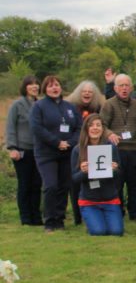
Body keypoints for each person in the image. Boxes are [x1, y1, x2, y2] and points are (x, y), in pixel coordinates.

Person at [30, 75, 82, 232]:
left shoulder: (70, 107)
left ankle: (60, 219)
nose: (54, 88)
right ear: (45, 89)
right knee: (51, 185)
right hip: (47, 153)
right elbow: (37, 128)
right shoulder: (39, 107)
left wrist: (70, 143)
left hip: (67, 153)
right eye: (50, 86)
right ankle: (50, 221)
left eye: (57, 85)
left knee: (63, 187)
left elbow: (79, 127)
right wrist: (56, 142)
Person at [100, 73, 136, 221]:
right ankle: (117, 210)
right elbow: (101, 124)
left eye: (127, 85)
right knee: (117, 183)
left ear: (131, 87)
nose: (124, 88)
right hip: (117, 149)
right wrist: (109, 134)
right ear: (115, 88)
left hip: (135, 150)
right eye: (121, 85)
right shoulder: (108, 104)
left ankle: (135, 212)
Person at [71, 114, 124, 236]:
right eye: (91, 125)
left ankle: (101, 219)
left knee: (116, 232)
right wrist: (84, 172)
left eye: (98, 125)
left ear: (103, 129)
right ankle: (91, 220)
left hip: (110, 199)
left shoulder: (111, 148)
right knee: (99, 232)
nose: (95, 128)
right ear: (86, 129)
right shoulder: (77, 150)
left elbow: (119, 175)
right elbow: (75, 178)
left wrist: (114, 170)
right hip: (89, 200)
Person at [67, 79, 107, 225]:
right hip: (77, 149)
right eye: (84, 91)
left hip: (96, 149)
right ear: (79, 93)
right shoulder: (71, 108)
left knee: (95, 182)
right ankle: (78, 216)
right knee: (76, 181)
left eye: (90, 91)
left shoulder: (98, 107)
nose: (87, 94)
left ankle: (96, 212)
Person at [5, 75, 43, 225]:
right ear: (25, 87)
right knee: (25, 184)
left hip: (39, 151)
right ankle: (26, 217)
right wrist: (12, 148)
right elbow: (10, 127)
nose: (34, 87)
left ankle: (36, 216)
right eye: (31, 84)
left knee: (36, 184)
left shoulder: (40, 105)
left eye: (36, 84)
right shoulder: (17, 105)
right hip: (22, 151)